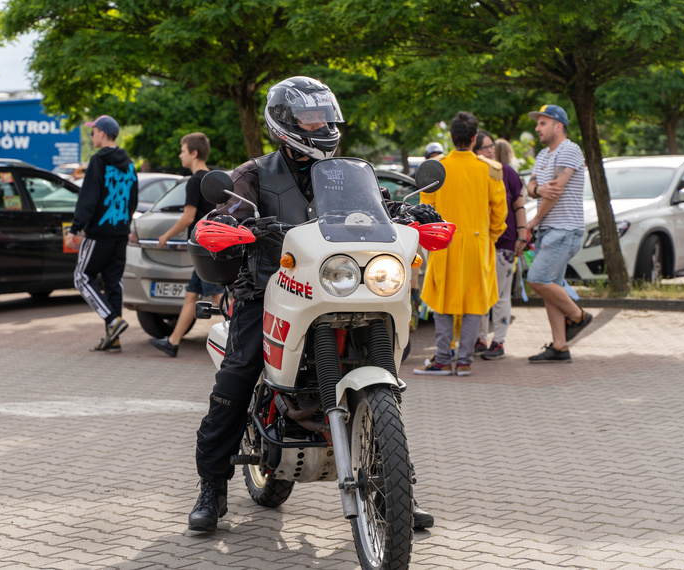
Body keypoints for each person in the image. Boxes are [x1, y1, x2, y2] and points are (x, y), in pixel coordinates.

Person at [188, 76, 440, 533]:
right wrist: (227, 222)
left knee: (388, 377)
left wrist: (410, 214)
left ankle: (397, 489)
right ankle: (212, 486)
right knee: (239, 373)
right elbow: (226, 210)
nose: (321, 124)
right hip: (268, 291)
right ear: (284, 122)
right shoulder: (254, 174)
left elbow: (379, 210)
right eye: (310, 117)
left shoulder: (346, 174)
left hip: (340, 289)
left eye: (325, 116)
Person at [413, 112, 507, 377]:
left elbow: (425, 209)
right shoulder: (490, 170)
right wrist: (490, 237)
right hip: (478, 246)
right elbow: (500, 215)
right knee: (473, 303)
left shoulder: (437, 167)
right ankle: (464, 361)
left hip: (443, 243)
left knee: (442, 302)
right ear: (475, 138)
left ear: (452, 138)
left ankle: (443, 359)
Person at [525, 104, 592, 363]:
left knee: (538, 279)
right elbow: (533, 186)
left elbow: (555, 191)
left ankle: (579, 316)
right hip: (550, 230)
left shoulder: (569, 150)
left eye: (542, 123)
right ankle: (560, 347)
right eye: (537, 123)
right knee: (549, 286)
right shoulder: (543, 155)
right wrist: (537, 190)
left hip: (564, 229)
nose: (537, 128)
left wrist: (534, 220)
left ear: (558, 125)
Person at [65, 115, 138, 353]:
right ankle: (113, 339)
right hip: (119, 232)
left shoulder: (98, 160)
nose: (91, 136)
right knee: (113, 282)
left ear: (103, 134)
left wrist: (75, 228)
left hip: (98, 233)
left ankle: (113, 320)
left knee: (81, 277)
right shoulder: (129, 163)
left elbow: (89, 197)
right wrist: (126, 224)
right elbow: (132, 198)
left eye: (93, 132)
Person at [150, 133, 223, 357]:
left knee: (218, 296)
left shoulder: (194, 181)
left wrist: (166, 235)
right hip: (212, 244)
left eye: (182, 151)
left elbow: (188, 217)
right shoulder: (213, 179)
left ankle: (244, 338)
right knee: (192, 295)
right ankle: (172, 342)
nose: (179, 155)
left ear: (193, 153)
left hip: (203, 246)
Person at [472, 131, 528, 360]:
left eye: (490, 146)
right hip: (477, 243)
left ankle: (499, 342)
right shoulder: (473, 173)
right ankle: (479, 339)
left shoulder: (507, 173)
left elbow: (519, 204)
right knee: (478, 293)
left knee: (500, 295)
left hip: (504, 243)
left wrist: (522, 234)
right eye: (484, 148)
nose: (489, 151)